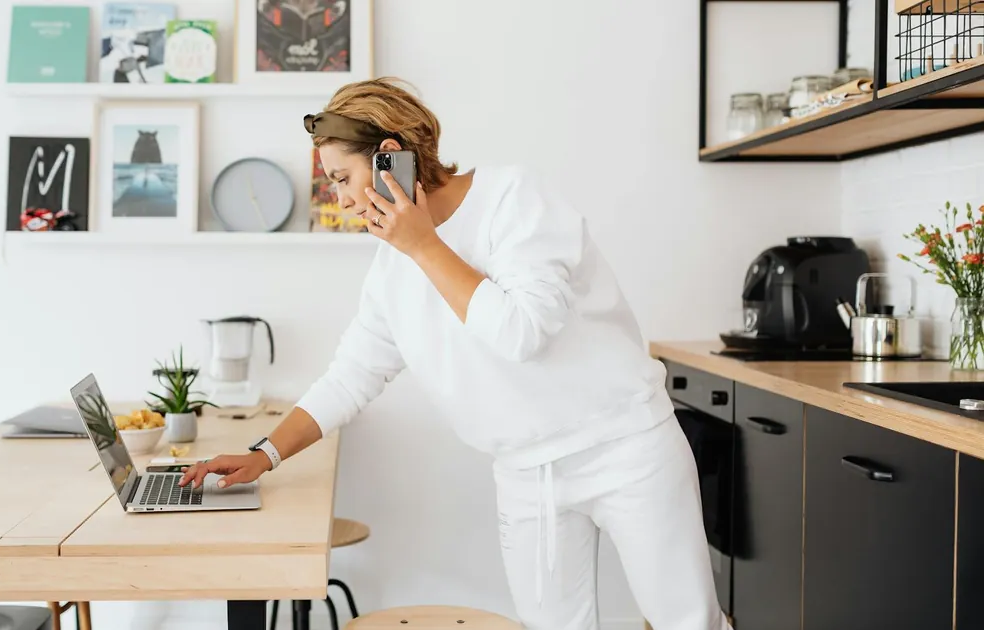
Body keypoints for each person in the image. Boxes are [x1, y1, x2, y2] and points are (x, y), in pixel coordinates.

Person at [180, 77, 730, 630]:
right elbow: (351, 376)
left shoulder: (512, 199)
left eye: (342, 178)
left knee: (690, 624)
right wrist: (264, 454)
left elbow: (523, 333)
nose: (341, 199)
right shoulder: (392, 268)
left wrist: (423, 244)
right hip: (525, 474)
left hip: (626, 448)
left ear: (388, 158)